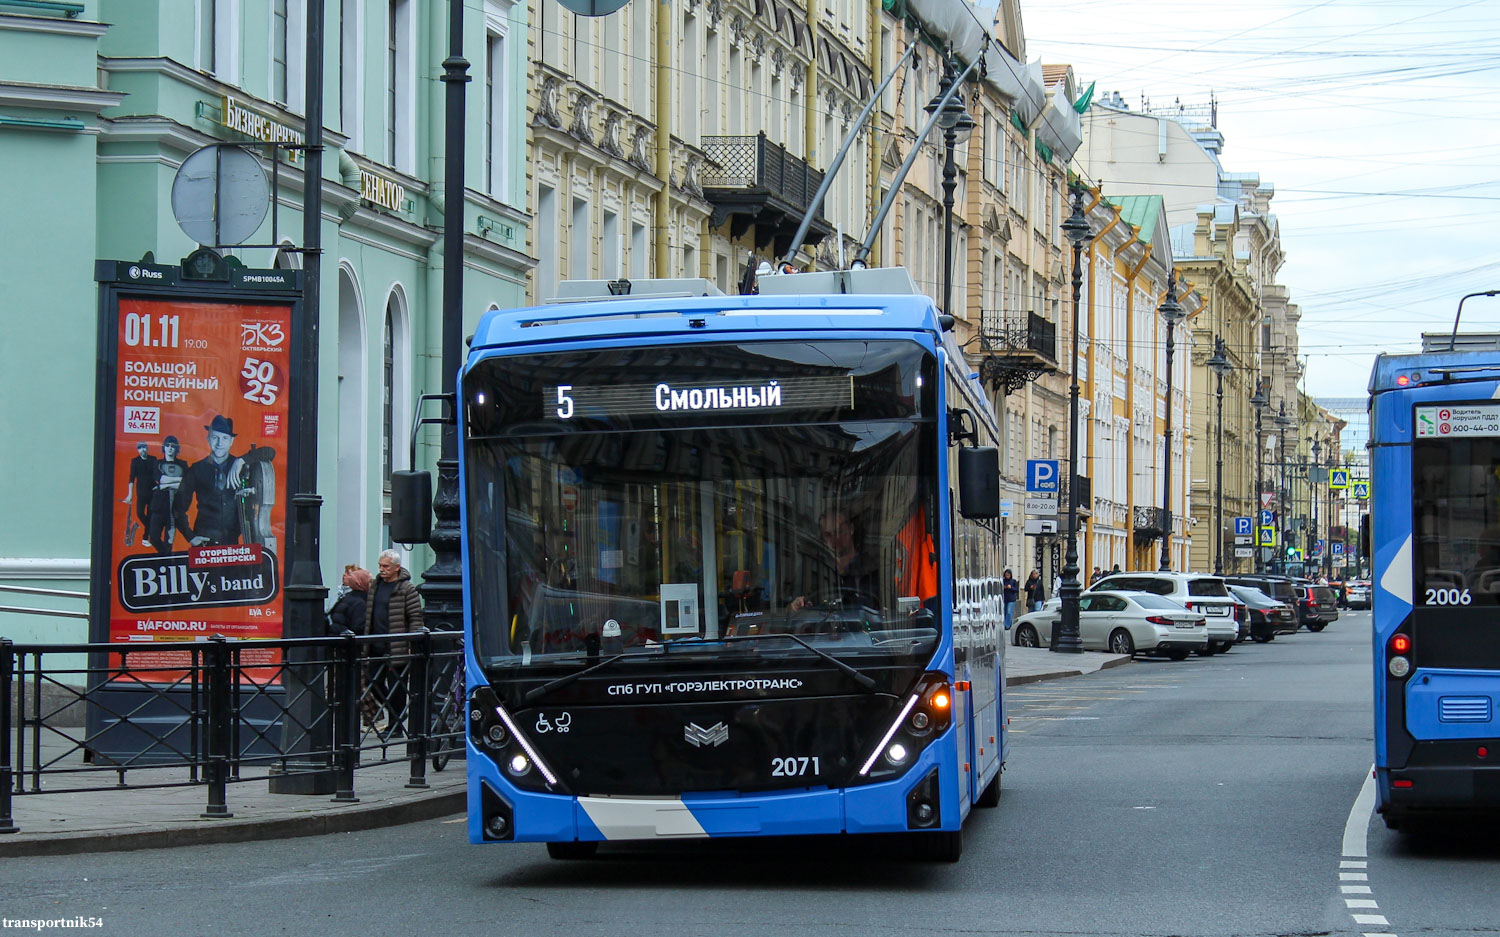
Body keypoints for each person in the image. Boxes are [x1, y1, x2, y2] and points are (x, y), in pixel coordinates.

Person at [364, 549, 424, 736]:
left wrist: (410, 642)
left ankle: (395, 726)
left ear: (397, 567)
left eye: (386, 566)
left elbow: (415, 616)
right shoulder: (375, 585)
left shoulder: (406, 588)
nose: (382, 570)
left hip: (396, 645)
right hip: (375, 643)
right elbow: (370, 613)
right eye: (380, 566)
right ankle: (397, 715)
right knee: (371, 681)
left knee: (397, 686)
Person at [175, 415, 253, 546]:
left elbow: (270, 452)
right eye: (215, 437)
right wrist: (190, 536)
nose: (219, 443)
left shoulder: (240, 465)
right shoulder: (196, 469)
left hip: (233, 543)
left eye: (225, 438)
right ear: (208, 439)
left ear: (231, 441)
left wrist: (242, 460)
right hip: (204, 542)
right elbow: (178, 506)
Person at [789, 509, 880, 613]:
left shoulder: (871, 568)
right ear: (823, 538)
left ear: (851, 528)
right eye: (828, 535)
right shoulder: (813, 569)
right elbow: (787, 609)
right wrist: (796, 605)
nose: (834, 539)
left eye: (839, 532)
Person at [144, 435, 186, 554]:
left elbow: (183, 483)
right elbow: (160, 480)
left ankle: (166, 560)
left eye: (173, 446)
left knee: (170, 540)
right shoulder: (157, 463)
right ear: (164, 447)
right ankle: (165, 556)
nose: (170, 448)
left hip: (175, 509)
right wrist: (176, 480)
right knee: (154, 538)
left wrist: (167, 483)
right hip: (158, 506)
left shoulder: (183, 464)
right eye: (167, 445)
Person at [328, 564, 371, 635]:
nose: (344, 575)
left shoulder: (347, 597)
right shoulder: (359, 601)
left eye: (349, 574)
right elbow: (358, 627)